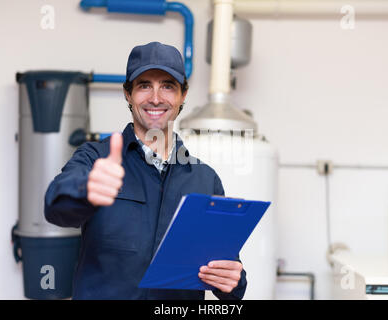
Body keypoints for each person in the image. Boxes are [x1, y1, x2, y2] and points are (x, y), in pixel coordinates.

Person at [44, 42, 247, 300]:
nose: (155, 97)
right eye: (144, 85)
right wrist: (86, 188)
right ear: (127, 94)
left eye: (167, 86)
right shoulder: (96, 159)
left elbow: (230, 280)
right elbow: (55, 208)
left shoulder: (205, 180)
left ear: (183, 95)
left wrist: (232, 281)